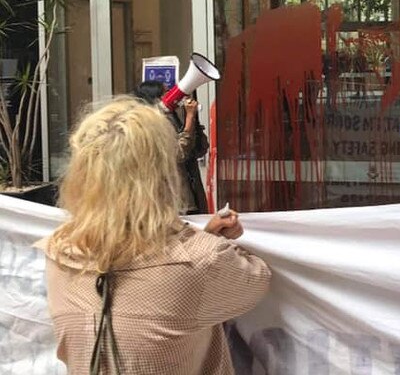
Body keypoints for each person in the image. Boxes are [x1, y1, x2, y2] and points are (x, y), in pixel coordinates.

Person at [35, 97, 270, 374]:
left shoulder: (57, 252)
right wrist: (204, 241)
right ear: (162, 175)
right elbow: (256, 279)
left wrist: (201, 239)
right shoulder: (200, 261)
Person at [133, 80, 209, 215]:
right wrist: (190, 118)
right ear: (155, 99)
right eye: (165, 92)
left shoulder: (173, 116)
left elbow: (200, 149)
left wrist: (193, 121)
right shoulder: (151, 124)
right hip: (175, 201)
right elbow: (178, 154)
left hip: (191, 194)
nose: (171, 95)